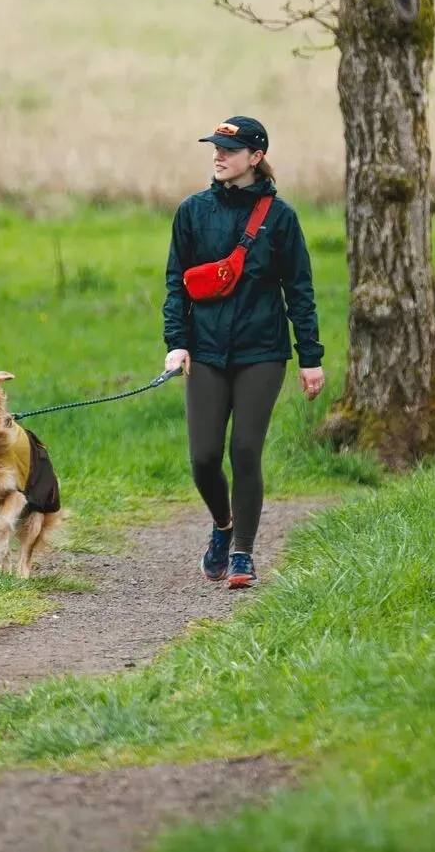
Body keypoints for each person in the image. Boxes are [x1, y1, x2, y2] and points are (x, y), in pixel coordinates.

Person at [162, 116, 324, 589]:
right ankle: (223, 525)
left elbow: (300, 290)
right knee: (204, 458)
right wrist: (177, 343)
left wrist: (309, 357)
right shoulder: (191, 212)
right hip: (205, 351)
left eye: (228, 151)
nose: (218, 156)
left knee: (246, 449)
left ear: (255, 158)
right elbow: (177, 285)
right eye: (214, 148)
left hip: (262, 351)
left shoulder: (281, 218)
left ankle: (242, 555)